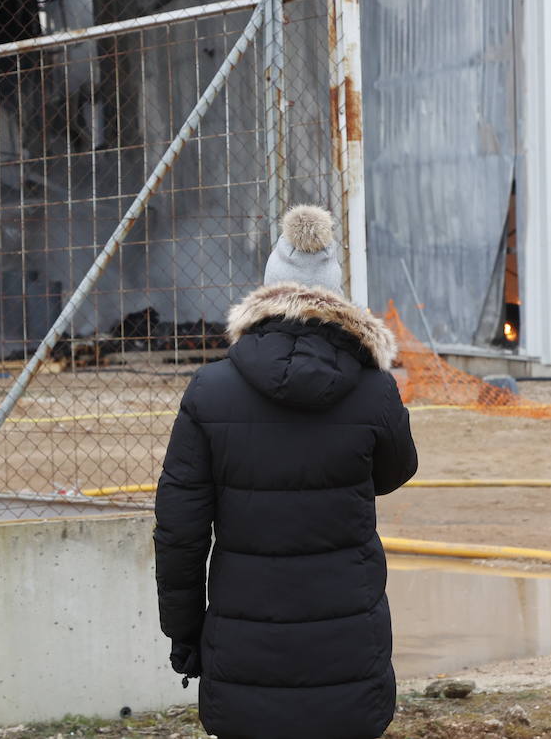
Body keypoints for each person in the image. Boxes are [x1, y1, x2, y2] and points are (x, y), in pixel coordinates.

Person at [153, 204, 418, 739]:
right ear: (338, 302)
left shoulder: (210, 390)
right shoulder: (374, 390)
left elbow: (179, 533)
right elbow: (396, 471)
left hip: (245, 649)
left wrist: (184, 636)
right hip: (347, 646)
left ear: (266, 297)